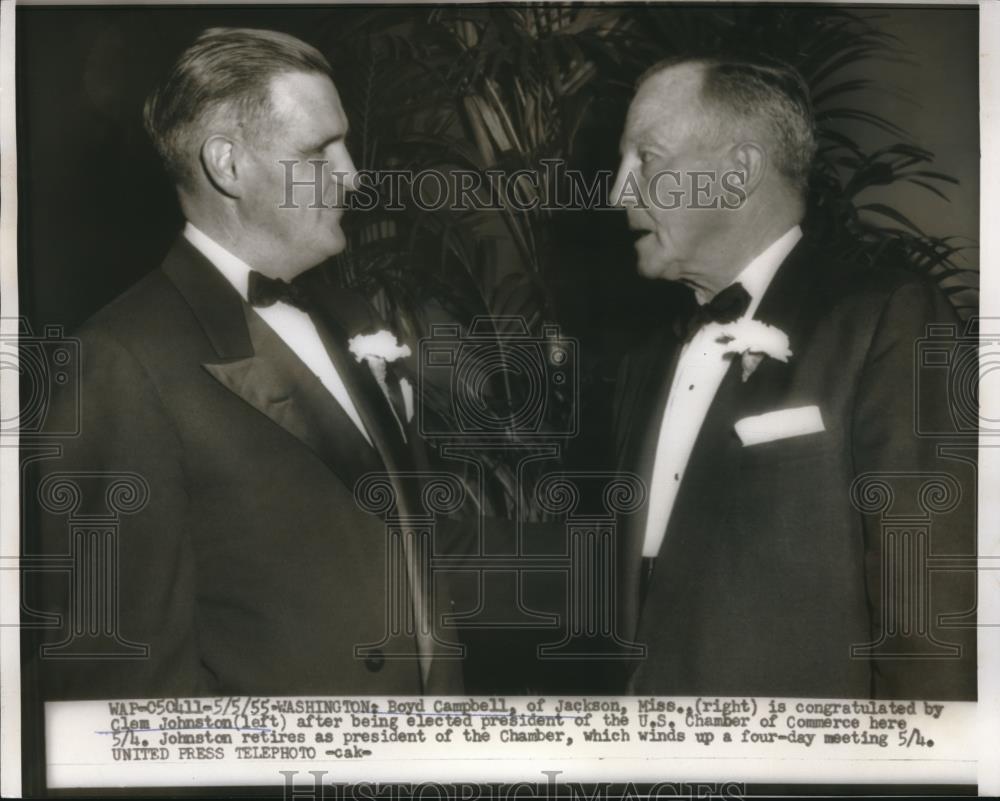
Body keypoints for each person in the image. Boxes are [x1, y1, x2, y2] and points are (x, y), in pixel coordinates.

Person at [35, 27, 463, 698]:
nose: (352, 173)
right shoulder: (117, 360)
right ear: (227, 165)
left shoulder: (354, 317)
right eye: (319, 151)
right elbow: (122, 675)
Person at [609, 56, 976, 699]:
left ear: (740, 171)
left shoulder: (886, 319)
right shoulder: (642, 361)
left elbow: (929, 622)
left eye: (647, 158)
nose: (618, 192)